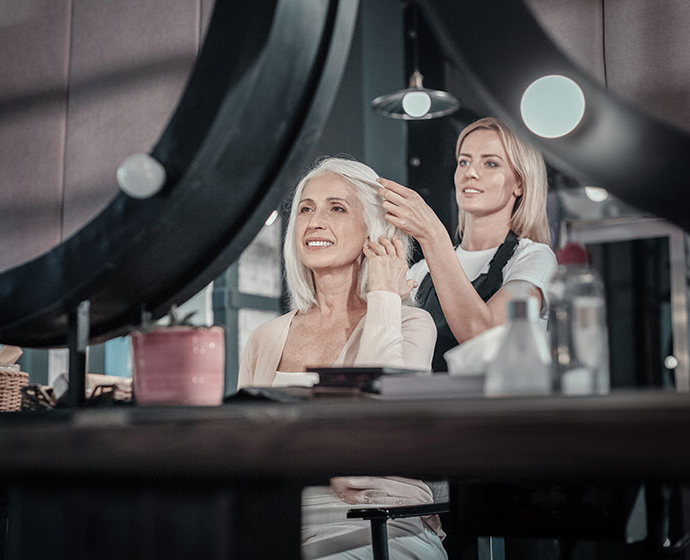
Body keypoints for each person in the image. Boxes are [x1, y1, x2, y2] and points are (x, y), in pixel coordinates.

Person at [238, 157, 446, 560]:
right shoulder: (264, 338)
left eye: (336, 207)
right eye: (305, 208)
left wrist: (385, 296)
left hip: (380, 524)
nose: (315, 221)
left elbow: (376, 432)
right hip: (279, 526)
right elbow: (246, 449)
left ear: (373, 231)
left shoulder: (411, 323)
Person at [378, 117, 558, 371]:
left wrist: (432, 234)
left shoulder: (534, 259)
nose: (470, 173)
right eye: (464, 161)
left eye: (491, 163)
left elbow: (485, 338)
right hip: (428, 408)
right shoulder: (421, 272)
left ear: (519, 183)